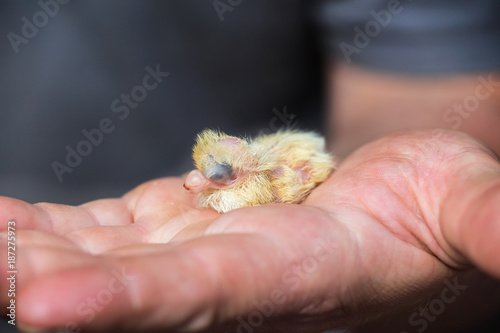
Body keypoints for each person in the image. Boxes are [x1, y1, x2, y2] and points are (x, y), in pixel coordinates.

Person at [1, 1, 500, 332]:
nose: (199, 183)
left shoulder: (254, 184)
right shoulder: (236, 169)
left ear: (238, 169)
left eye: (213, 177)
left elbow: (431, 76)